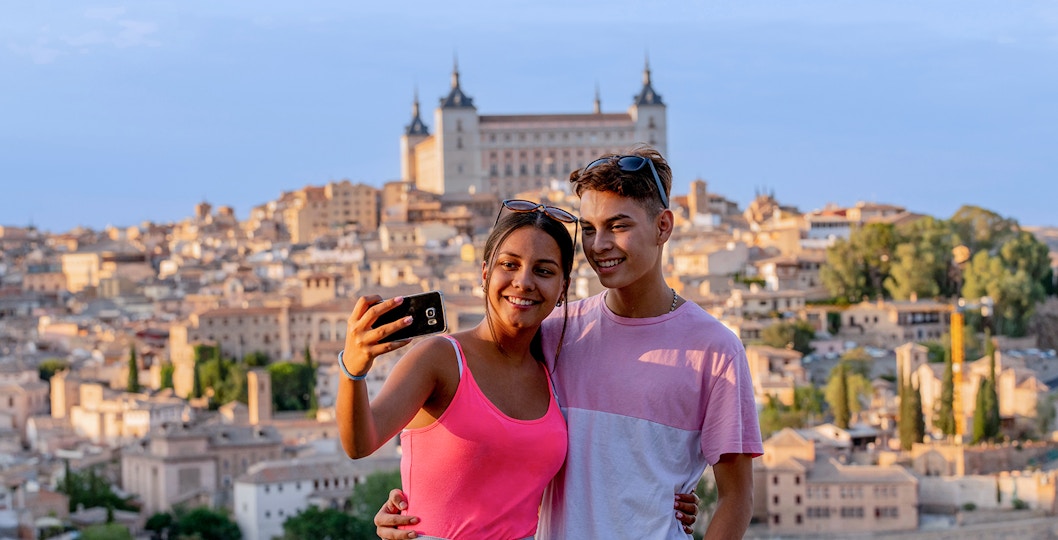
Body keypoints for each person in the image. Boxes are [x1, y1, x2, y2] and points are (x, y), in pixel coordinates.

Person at [375, 146, 763, 539]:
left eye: (619, 226)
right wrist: (418, 504)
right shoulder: (554, 332)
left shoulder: (717, 350)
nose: (599, 245)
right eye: (590, 229)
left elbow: (737, 497)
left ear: (663, 226)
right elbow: (486, 431)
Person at [336, 201, 577, 540]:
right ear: (484, 273)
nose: (523, 282)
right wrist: (353, 369)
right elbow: (360, 443)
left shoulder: (555, 369)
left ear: (563, 289)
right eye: (509, 264)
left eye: (544, 271)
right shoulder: (441, 359)